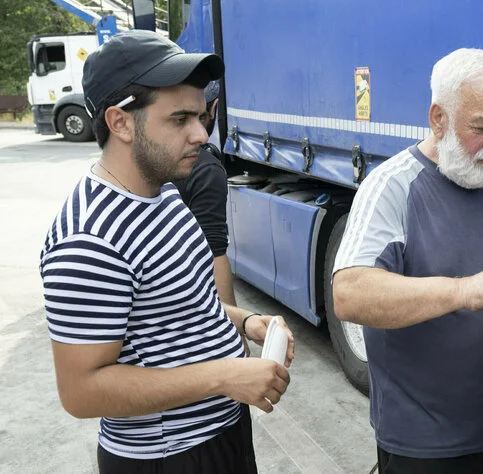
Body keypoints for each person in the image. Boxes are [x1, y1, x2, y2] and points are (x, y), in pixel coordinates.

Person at [38, 30, 294, 474]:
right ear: (120, 122)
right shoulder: (88, 240)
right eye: (179, 119)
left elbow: (186, 304)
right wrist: (223, 375)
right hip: (169, 457)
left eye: (199, 115)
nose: (201, 134)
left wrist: (250, 322)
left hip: (222, 432)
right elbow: (81, 392)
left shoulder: (164, 194)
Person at [331, 48, 483, 474]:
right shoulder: (392, 186)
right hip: (425, 444)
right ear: (438, 118)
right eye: (482, 128)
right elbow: (350, 294)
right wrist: (463, 290)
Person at [173, 80, 235, 307]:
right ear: (214, 108)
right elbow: (213, 254)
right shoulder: (205, 170)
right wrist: (236, 333)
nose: (201, 137)